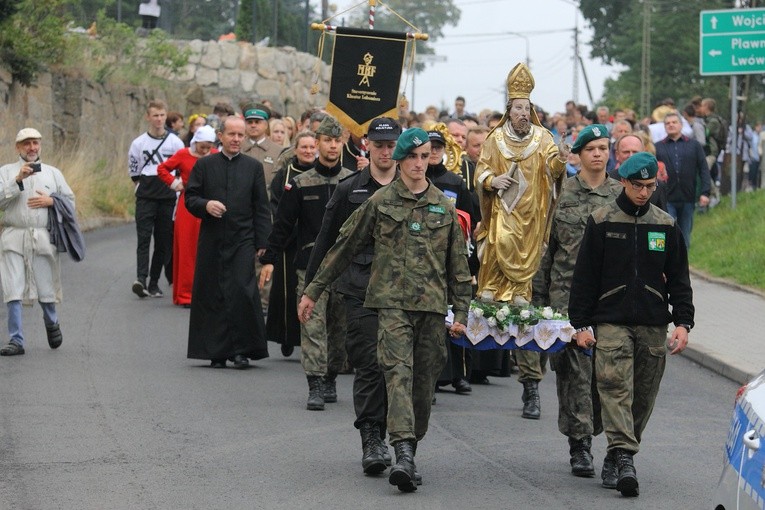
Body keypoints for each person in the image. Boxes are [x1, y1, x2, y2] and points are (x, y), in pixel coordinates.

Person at [298, 128, 472, 492]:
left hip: (429, 310)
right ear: (399, 161)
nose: (419, 164)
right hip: (389, 305)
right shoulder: (379, 203)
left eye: (424, 157)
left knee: (423, 384)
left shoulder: (444, 206)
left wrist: (461, 314)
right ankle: (403, 453)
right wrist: (313, 290)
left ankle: (412, 441)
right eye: (411, 157)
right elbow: (342, 248)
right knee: (397, 375)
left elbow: (458, 266)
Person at [568, 152, 695, 498]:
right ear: (623, 182)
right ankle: (624, 456)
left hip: (653, 324)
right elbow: (584, 278)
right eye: (637, 186)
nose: (643, 192)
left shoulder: (665, 225)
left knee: (643, 396)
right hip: (611, 322)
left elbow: (680, 280)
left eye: (650, 186)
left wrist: (683, 322)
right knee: (614, 387)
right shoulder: (602, 221)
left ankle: (616, 451)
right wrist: (580, 323)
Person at [303, 117, 401, 473]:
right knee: (368, 365)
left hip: (405, 295)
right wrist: (311, 289)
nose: (386, 151)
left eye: (392, 145)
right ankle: (372, 439)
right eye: (379, 145)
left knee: (402, 370)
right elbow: (327, 240)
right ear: (367, 146)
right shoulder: (349, 190)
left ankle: (401, 440)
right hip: (359, 288)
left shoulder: (415, 188)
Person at [474, 62, 568, 419]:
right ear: (508, 110)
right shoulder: (495, 140)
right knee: (497, 253)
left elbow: (555, 170)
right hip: (503, 216)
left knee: (527, 304)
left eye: (528, 109)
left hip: (533, 222)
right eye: (517, 108)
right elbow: (482, 167)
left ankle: (532, 387)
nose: (523, 114)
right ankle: (491, 293)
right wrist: (489, 181)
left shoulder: (543, 140)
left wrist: (559, 161)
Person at [532, 124, 621, 482]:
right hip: (565, 299)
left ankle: (611, 441)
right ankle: (579, 443)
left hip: (610, 300)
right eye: (591, 149)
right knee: (573, 376)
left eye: (603, 148)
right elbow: (545, 251)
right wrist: (538, 303)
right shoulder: (560, 195)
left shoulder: (621, 194)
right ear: (578, 156)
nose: (598, 154)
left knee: (609, 376)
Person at [259, 116, 353, 410]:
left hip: (345, 268)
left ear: (342, 144)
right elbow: (283, 226)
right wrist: (270, 259)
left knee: (339, 329)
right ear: (318, 143)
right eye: (327, 140)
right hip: (310, 267)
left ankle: (331, 376)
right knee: (311, 324)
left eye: (337, 141)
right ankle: (314, 383)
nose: (332, 146)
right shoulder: (300, 184)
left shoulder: (352, 182)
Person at [184, 116, 271, 369]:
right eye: (231, 134)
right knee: (213, 293)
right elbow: (191, 198)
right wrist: (205, 205)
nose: (236, 139)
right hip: (212, 239)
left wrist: (263, 242)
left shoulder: (253, 167)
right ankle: (217, 351)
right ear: (220, 136)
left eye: (240, 135)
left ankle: (242, 350)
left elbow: (261, 207)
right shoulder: (205, 165)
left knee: (242, 291)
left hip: (243, 239)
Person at [0, 128, 76, 356]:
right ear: (18, 147)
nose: (32, 148)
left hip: (43, 236)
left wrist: (52, 201)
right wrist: (17, 181)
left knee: (46, 284)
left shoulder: (53, 173)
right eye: (26, 144)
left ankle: (51, 322)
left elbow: (70, 202)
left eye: (35, 143)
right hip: (13, 235)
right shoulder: (6, 172)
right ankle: (16, 339)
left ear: (40, 145)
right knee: (12, 287)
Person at [426, 130, 476, 395]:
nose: (434, 152)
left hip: (452, 255)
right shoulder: (416, 179)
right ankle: (430, 377)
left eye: (438, 147)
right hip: (425, 256)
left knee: (456, 314)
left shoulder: (455, 181)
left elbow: (470, 219)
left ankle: (459, 374)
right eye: (430, 147)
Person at [265, 131, 317, 356]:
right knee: (288, 291)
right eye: (303, 147)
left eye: (311, 147)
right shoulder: (285, 175)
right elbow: (276, 205)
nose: (307, 151)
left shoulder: (321, 174)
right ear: (295, 150)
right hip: (289, 241)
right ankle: (287, 335)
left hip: (313, 240)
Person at [128, 99, 185, 299]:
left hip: (167, 196)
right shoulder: (138, 143)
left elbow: (180, 169)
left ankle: (154, 282)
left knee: (163, 242)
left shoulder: (175, 143)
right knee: (143, 239)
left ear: (165, 116)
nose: (159, 119)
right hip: (145, 196)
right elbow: (134, 171)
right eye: (155, 115)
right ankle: (140, 280)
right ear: (148, 117)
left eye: (162, 115)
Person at [157, 125, 218, 307]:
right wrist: (175, 183)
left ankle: (207, 292)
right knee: (186, 248)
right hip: (188, 204)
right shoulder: (183, 154)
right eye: (202, 147)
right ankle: (185, 294)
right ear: (196, 142)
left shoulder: (215, 155)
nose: (205, 150)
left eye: (209, 146)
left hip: (208, 203)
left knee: (208, 247)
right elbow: (162, 169)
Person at [654, 111, 710, 248]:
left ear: (681, 125)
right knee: (667, 232)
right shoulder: (658, 147)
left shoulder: (694, 145)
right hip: (666, 197)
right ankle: (666, 265)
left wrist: (705, 192)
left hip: (688, 197)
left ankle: (683, 267)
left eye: (674, 122)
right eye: (667, 123)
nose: (671, 125)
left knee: (685, 236)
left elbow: (703, 168)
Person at [241, 102, 283, 190]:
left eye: (257, 122)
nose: (253, 125)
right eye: (249, 122)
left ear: (266, 125)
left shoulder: (278, 151)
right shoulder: (238, 148)